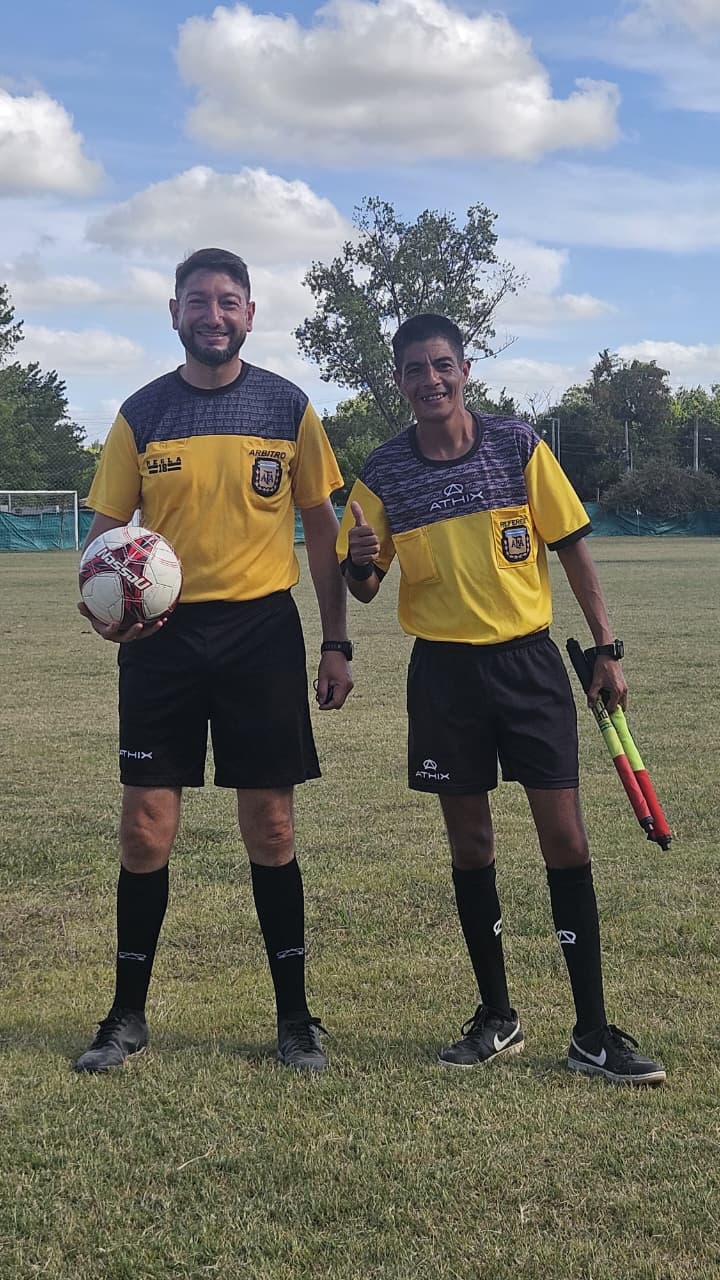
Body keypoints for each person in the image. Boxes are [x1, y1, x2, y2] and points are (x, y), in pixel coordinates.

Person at [337, 312, 665, 1086]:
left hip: (528, 666)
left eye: (442, 365)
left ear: (465, 369)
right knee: (471, 844)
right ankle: (497, 1017)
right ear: (399, 382)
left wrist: (607, 648)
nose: (431, 380)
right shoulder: (382, 473)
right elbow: (367, 585)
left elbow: (572, 545)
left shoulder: (517, 445)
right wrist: (358, 561)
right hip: (443, 675)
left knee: (567, 840)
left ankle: (592, 1033)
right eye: (414, 370)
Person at [75, 247, 353, 1074]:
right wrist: (104, 607)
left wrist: (335, 640)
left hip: (261, 633)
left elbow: (324, 534)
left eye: (229, 301)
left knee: (271, 824)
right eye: (198, 301)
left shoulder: (289, 407)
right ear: (175, 313)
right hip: (162, 642)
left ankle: (295, 1020)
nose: (214, 315)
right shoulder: (141, 413)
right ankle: (126, 1016)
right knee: (144, 827)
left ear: (250, 314)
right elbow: (104, 537)